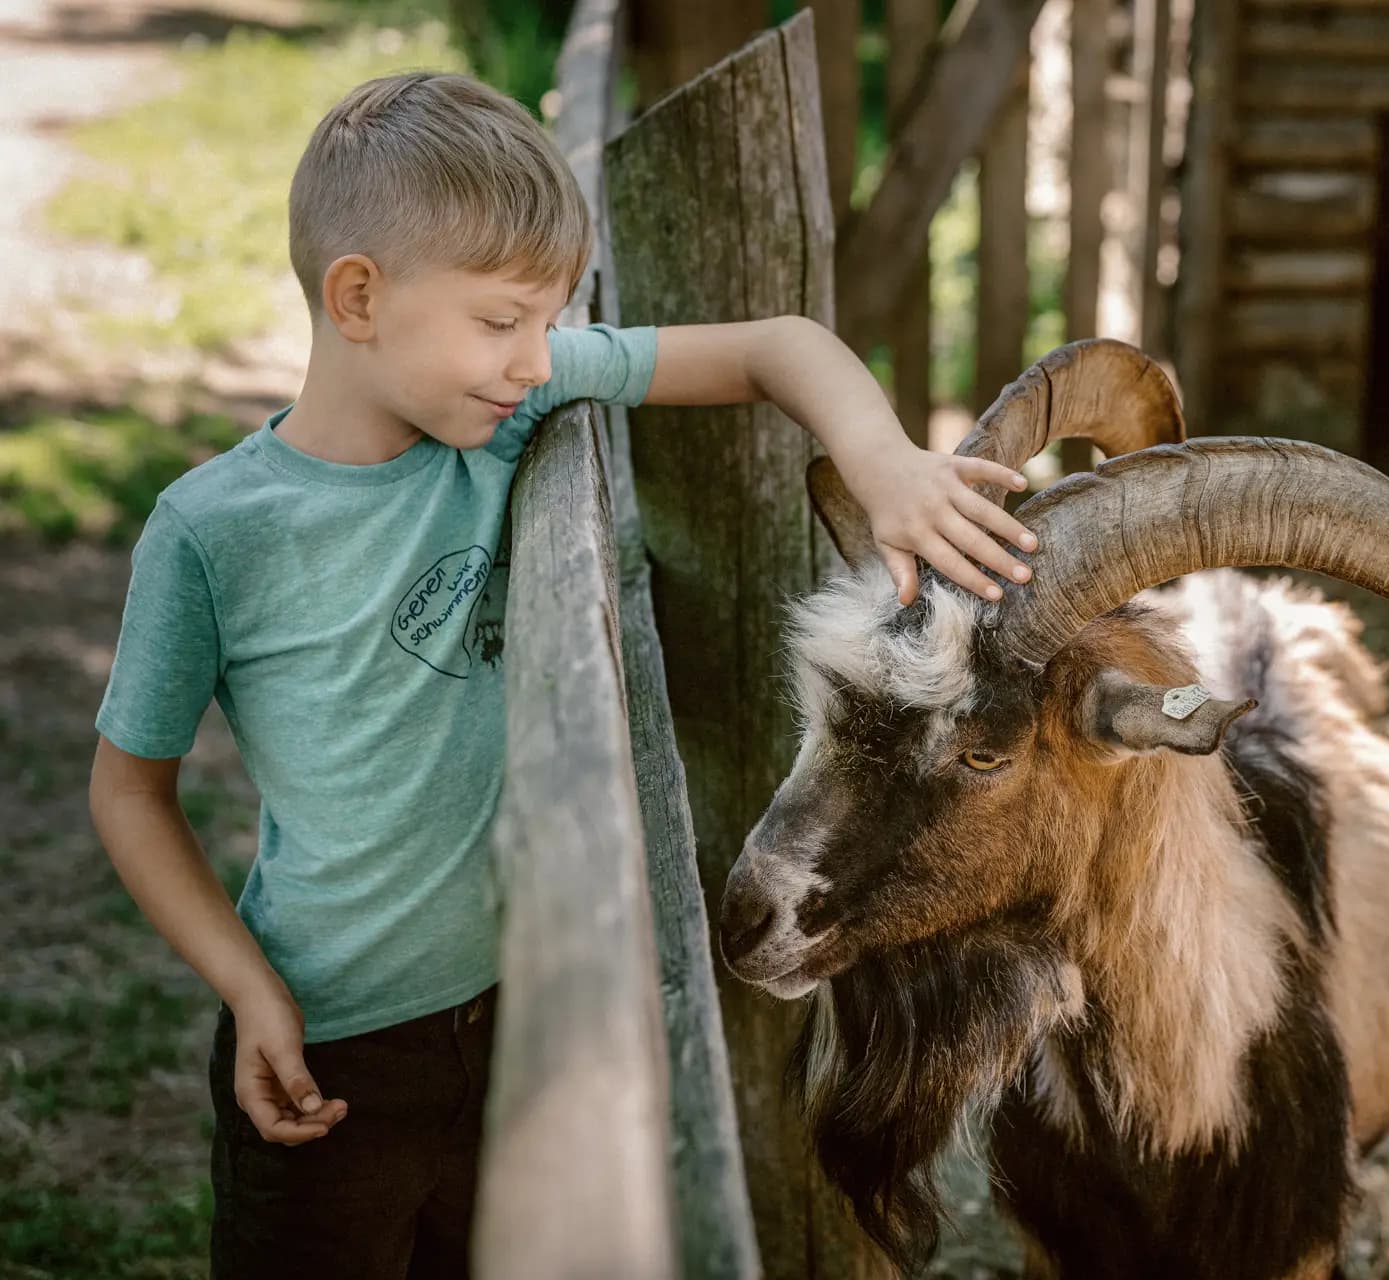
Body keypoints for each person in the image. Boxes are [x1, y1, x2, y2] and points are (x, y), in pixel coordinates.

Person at [86, 70, 1038, 1278]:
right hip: (329, 1050)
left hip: (525, 1017)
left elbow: (775, 347)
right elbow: (128, 790)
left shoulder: (500, 410)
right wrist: (246, 986)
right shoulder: (212, 532)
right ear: (359, 296)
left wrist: (885, 460)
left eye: (550, 322)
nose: (538, 361)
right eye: (503, 321)